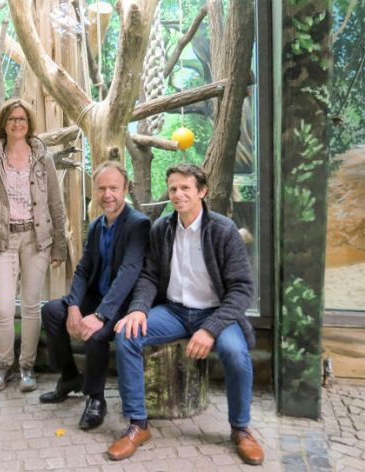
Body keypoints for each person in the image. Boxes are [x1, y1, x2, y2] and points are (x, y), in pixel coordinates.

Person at [107, 164, 264, 466]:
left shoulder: (223, 230)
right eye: (173, 189)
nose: (177, 195)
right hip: (175, 311)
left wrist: (211, 329)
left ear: (202, 192)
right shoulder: (162, 229)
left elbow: (242, 290)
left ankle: (241, 429)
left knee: (236, 353)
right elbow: (149, 276)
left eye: (185, 189)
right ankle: (138, 425)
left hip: (216, 313)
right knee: (127, 335)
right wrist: (138, 310)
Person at [40, 160, 150, 430]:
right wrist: (75, 306)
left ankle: (96, 398)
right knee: (52, 311)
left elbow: (129, 272)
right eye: (101, 188)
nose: (107, 194)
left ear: (125, 188)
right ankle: (68, 377)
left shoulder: (139, 224)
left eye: (113, 187)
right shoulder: (97, 224)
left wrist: (100, 315)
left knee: (96, 333)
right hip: (95, 296)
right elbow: (83, 268)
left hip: (123, 304)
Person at [0, 98, 67, 393]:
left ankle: (27, 367)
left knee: (30, 305)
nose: (17, 123)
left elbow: (56, 202)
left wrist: (59, 246)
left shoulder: (43, 158)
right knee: (3, 308)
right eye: (12, 119)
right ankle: (4, 366)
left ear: (29, 124)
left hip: (36, 239)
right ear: (3, 123)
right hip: (2, 240)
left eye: (22, 119)